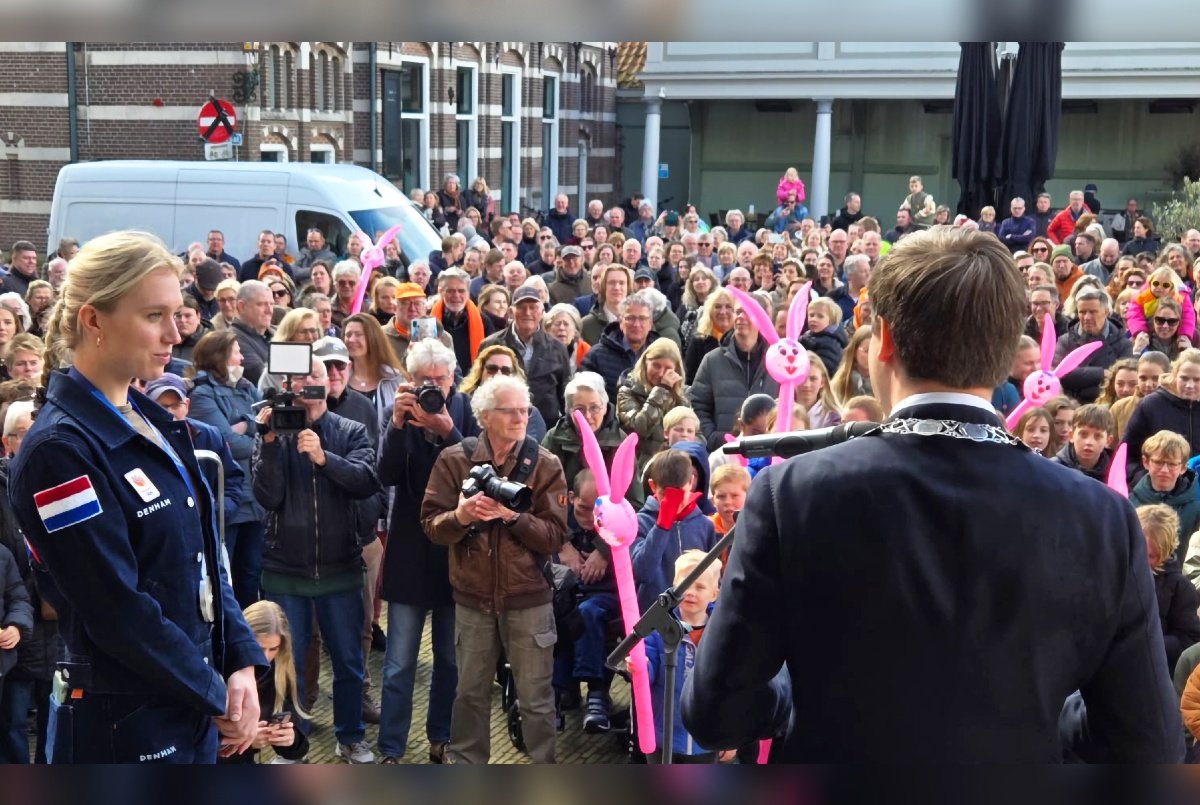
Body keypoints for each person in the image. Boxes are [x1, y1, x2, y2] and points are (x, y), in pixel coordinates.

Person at [680, 226, 1183, 762]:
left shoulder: (792, 494)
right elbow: (1148, 743)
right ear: (1001, 352)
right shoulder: (1102, 518)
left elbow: (717, 713)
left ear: (886, 339)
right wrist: (1037, 723)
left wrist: (791, 699)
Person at [8, 231, 265, 763]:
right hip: (125, 725)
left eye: (178, 313)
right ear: (94, 321)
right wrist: (216, 693)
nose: (175, 334)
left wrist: (239, 658)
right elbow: (116, 609)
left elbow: (206, 559)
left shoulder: (150, 418)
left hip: (185, 701)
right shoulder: (59, 451)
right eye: (154, 316)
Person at [421, 374, 568, 764]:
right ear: (485, 416)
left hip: (529, 599)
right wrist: (462, 515)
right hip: (473, 599)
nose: (520, 418)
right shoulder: (455, 459)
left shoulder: (545, 463)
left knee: (536, 698)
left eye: (525, 409)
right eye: (510, 410)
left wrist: (511, 516)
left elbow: (555, 536)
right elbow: (431, 527)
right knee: (469, 693)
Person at [253, 355, 381, 764]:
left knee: (347, 659)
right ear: (287, 385)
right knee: (287, 663)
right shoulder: (273, 432)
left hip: (340, 565)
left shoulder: (350, 430)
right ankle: (291, 745)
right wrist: (270, 444)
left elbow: (366, 482)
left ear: (329, 383)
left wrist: (325, 459)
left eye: (316, 376)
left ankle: (351, 737)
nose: (307, 384)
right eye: (298, 377)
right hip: (284, 567)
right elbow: (267, 497)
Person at [377, 339, 474, 765]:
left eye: (439, 380)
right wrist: (398, 426)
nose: (432, 388)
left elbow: (479, 468)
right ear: (409, 382)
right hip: (410, 550)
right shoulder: (401, 411)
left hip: (455, 553)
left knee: (450, 663)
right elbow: (386, 473)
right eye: (423, 381)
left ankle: (442, 739)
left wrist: (447, 430)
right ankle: (391, 748)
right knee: (398, 664)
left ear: (453, 379)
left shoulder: (467, 408)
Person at [186, 331, 265, 608]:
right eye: (236, 352)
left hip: (255, 500)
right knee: (225, 576)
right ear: (219, 356)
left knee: (252, 574)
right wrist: (254, 429)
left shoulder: (246, 387)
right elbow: (228, 445)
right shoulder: (200, 394)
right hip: (228, 503)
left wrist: (244, 424)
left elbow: (266, 423)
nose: (242, 358)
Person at [643, 550, 722, 764]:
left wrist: (729, 737)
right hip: (663, 736)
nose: (690, 592)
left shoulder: (723, 633)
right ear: (673, 585)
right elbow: (647, 673)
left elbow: (730, 687)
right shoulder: (658, 627)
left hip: (705, 740)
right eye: (685, 584)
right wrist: (641, 667)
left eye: (700, 587)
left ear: (714, 593)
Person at [219, 601, 310, 764]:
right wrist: (245, 741)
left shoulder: (280, 672)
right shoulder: (217, 667)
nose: (265, 657)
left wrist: (290, 739)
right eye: (259, 648)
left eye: (273, 649)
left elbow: (297, 750)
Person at [688, 294, 778, 450]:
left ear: (763, 318)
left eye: (747, 312)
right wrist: (713, 438)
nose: (740, 317)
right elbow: (698, 404)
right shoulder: (712, 360)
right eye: (738, 312)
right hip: (725, 452)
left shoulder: (777, 361)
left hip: (769, 451)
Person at [478, 286, 572, 428]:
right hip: (501, 425)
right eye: (521, 307)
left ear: (541, 312)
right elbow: (478, 387)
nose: (527, 312)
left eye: (533, 307)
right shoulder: (491, 344)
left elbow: (565, 394)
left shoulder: (557, 348)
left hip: (546, 427)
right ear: (511, 311)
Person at [1137, 504, 1200, 672]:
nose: (1141, 559)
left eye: (1151, 555)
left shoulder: (1180, 588)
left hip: (1151, 670)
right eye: (1138, 549)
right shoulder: (1112, 574)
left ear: (1165, 552)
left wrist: (1147, 643)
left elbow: (1189, 640)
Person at [1122, 349, 1200, 482]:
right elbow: (1126, 454)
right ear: (1174, 375)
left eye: (1197, 380)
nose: (1190, 385)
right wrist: (1146, 480)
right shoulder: (1151, 405)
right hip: (1158, 491)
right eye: (1184, 378)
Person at [1130, 431, 1200, 564]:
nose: (1164, 470)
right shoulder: (1129, 503)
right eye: (1158, 462)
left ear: (1183, 467)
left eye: (1172, 464)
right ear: (1146, 462)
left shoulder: (1196, 509)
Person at [617, 339, 688, 467]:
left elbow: (697, 434)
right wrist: (662, 390)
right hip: (640, 466)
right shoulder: (627, 391)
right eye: (656, 365)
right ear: (645, 363)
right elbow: (639, 428)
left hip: (675, 465)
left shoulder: (682, 396)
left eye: (668, 368)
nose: (661, 373)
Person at [1055, 287, 1133, 403]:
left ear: (1106, 312)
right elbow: (1059, 374)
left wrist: (1079, 375)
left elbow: (1121, 379)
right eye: (1082, 312)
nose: (1087, 317)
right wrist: (1100, 373)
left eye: (1092, 312)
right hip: (1071, 405)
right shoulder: (1066, 341)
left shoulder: (1123, 344)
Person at [1050, 404, 1116, 482]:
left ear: (1108, 440)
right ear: (1071, 436)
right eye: (1083, 435)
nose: (1089, 442)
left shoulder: (1115, 473)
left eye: (1097, 436)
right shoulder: (1053, 468)